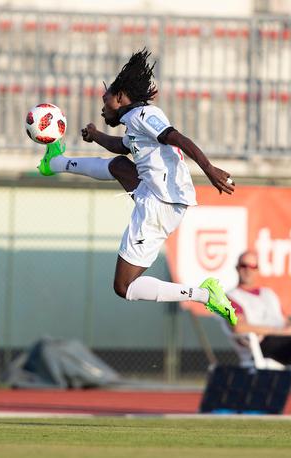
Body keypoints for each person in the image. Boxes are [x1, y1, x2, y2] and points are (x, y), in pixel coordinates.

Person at [36, 49, 237, 325]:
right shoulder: (134, 121)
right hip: (158, 194)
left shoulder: (145, 115)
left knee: (124, 287)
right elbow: (122, 146)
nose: (102, 106)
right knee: (120, 164)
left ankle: (204, 294)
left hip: (159, 205)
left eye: (105, 99)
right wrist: (95, 135)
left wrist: (209, 169)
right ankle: (56, 162)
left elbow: (176, 137)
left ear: (120, 97)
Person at [225, 251, 291, 369]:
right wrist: (281, 331)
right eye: (244, 265)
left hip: (288, 340)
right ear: (237, 268)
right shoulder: (231, 297)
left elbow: (285, 322)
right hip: (263, 345)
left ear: (258, 270)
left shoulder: (268, 294)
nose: (248, 270)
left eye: (253, 267)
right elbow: (238, 327)